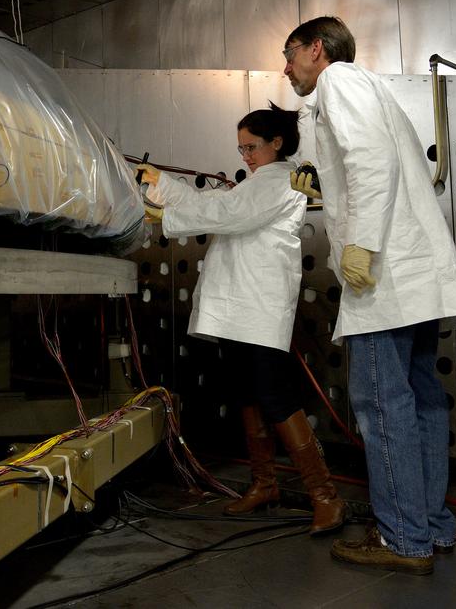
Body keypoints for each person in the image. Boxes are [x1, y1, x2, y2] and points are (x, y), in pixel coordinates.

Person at [282, 15, 456, 575]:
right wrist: (326, 185)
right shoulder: (371, 88)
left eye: (290, 54)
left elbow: (370, 160)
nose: (286, 68)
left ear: (317, 49)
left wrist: (360, 244)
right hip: (415, 276)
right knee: (422, 401)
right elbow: (375, 162)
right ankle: (431, 526)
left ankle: (403, 539)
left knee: (383, 405)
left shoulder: (338, 80)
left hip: (385, 277)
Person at [137, 106, 345, 536]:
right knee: (246, 393)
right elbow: (216, 203)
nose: (246, 156)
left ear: (277, 143)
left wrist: (166, 215)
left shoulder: (282, 180)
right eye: (241, 149)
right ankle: (264, 484)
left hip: (260, 306)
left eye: (252, 147)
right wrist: (163, 185)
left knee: (275, 396)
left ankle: (325, 496)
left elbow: (230, 214)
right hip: (237, 308)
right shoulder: (256, 182)